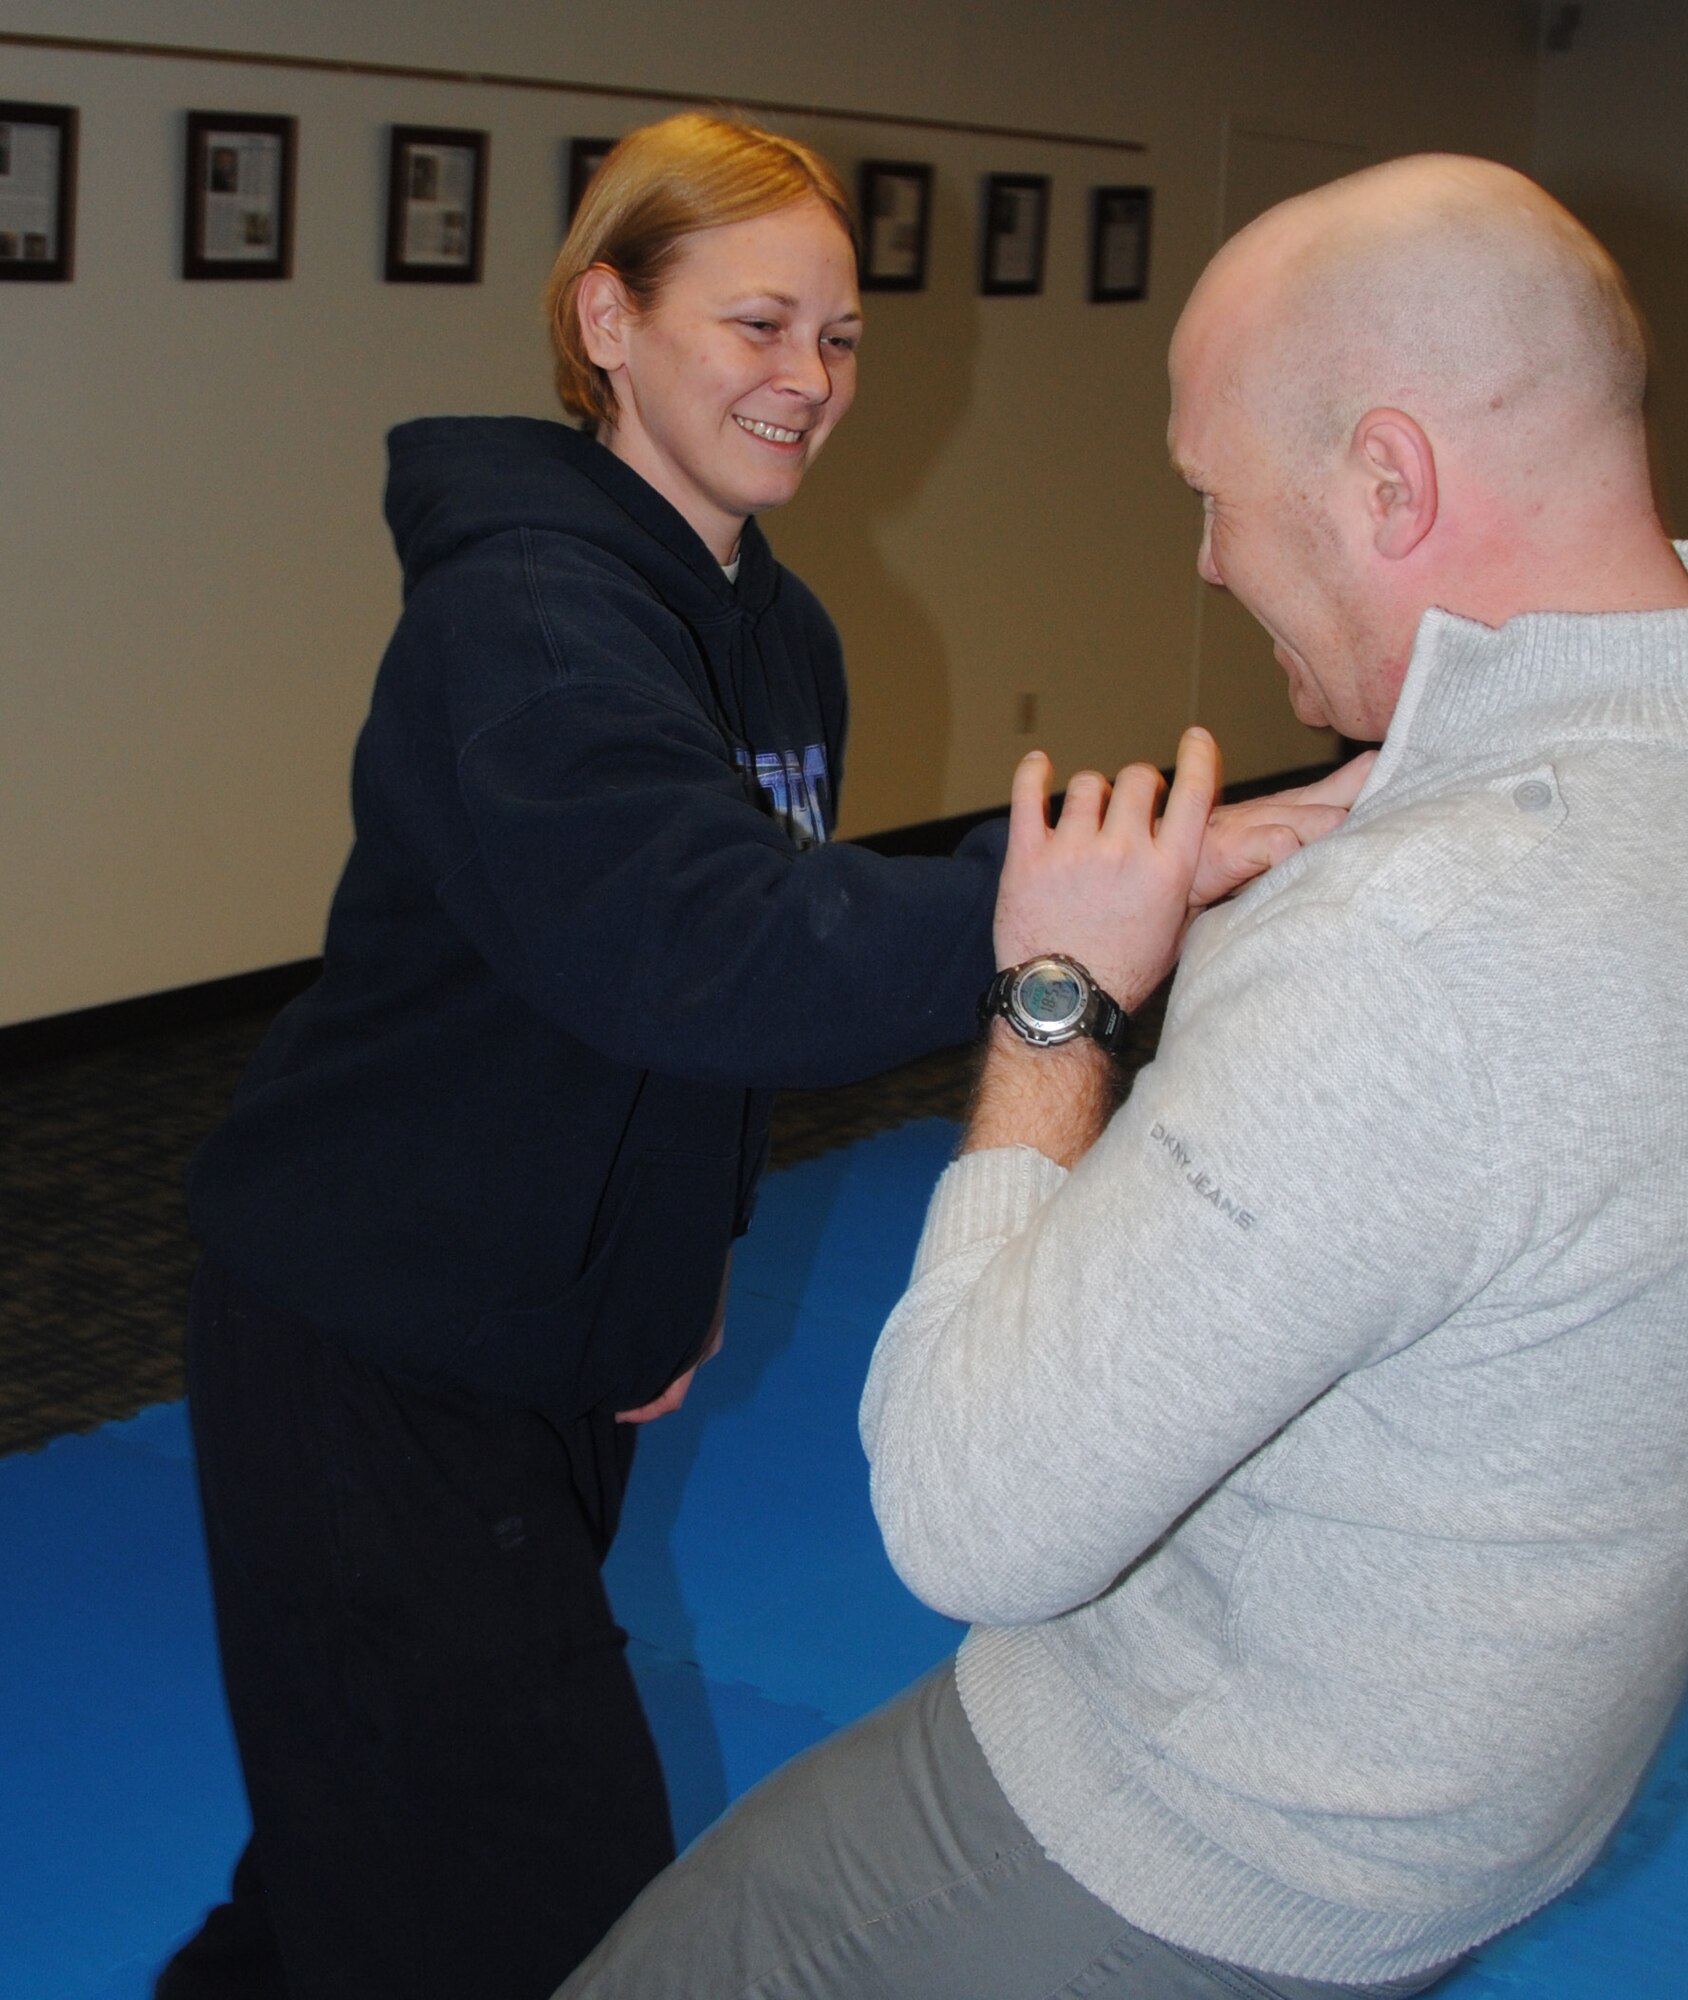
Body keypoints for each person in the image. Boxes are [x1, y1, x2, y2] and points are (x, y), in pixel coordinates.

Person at [556, 154, 1688, 2000]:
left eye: (1216, 496)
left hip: (1174, 1831)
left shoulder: (1419, 938)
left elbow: (969, 1516)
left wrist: (1061, 993)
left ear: (1389, 479)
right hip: (1487, 1815)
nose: (1209, 557)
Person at [158, 112, 1337, 2000]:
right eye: (758, 325)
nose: (809, 381)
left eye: (842, 338)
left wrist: (671, 1267)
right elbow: (699, 950)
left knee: (361, 1852)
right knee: (542, 1912)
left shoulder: (768, 630)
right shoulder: (531, 623)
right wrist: (1105, 898)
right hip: (378, 1342)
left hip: (543, 1334)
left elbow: (734, 983)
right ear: (607, 319)